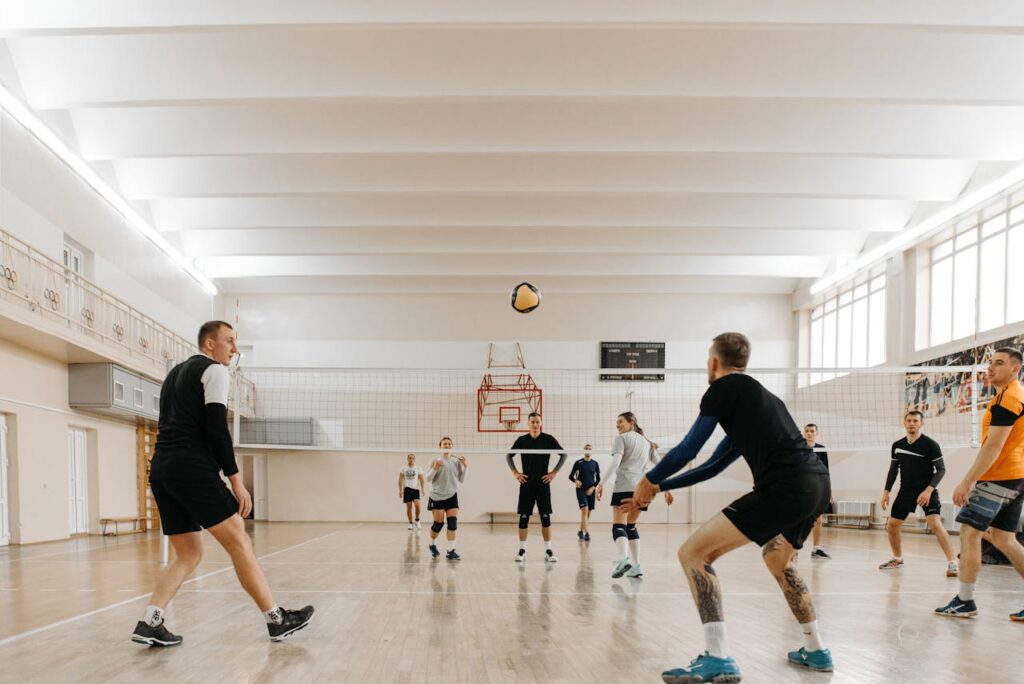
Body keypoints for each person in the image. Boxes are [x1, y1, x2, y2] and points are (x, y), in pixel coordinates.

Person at [631, 332, 833, 680]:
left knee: (694, 554)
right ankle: (816, 650)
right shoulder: (760, 400)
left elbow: (689, 450)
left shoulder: (722, 390)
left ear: (714, 362)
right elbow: (712, 466)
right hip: (816, 485)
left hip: (784, 487)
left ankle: (718, 656)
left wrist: (649, 479)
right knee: (778, 560)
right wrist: (662, 485)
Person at [131, 321, 314, 647]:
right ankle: (276, 619)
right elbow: (217, 430)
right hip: (191, 469)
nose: (234, 348)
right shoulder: (215, 371)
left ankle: (151, 621)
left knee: (188, 553)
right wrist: (237, 481)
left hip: (162, 469)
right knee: (238, 541)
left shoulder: (174, 375)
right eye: (229, 341)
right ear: (209, 342)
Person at [936, 347, 1024, 620]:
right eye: (990, 363)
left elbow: (994, 446)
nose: (990, 368)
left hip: (1000, 475)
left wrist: (967, 481)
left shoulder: (1008, 398)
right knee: (1003, 539)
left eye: (999, 363)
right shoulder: (1012, 394)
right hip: (1016, 474)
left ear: (1015, 368)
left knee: (970, 533)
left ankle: (965, 600)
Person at [878, 411, 958, 576]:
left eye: (915, 421)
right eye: (909, 420)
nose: (912, 423)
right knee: (892, 525)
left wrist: (928, 491)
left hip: (926, 490)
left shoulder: (931, 444)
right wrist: (886, 491)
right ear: (904, 423)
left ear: (922, 423)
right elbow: (893, 470)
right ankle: (897, 558)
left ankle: (952, 563)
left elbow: (941, 470)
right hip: (906, 490)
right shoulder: (897, 445)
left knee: (935, 523)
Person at [598, 412, 673, 579]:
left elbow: (616, 462)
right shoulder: (647, 442)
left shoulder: (621, 439)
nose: (617, 425)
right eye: (616, 422)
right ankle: (637, 566)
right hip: (641, 489)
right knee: (630, 526)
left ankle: (623, 559)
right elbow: (661, 466)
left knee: (619, 526)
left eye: (620, 422)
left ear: (631, 422)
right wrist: (667, 488)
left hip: (624, 486)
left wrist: (601, 483)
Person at [507, 412, 567, 563]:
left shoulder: (548, 439)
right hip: (526, 484)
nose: (535, 424)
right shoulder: (522, 440)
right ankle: (522, 550)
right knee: (524, 518)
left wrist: (554, 472)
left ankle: (548, 550)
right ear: (528, 423)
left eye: (537, 422)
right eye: (532, 422)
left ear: (541, 423)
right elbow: (509, 455)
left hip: (543, 483)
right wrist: (515, 472)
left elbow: (563, 455)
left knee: (545, 517)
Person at [427, 437, 467, 561]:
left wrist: (465, 467)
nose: (447, 445)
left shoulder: (456, 462)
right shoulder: (435, 460)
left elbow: (461, 480)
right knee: (438, 524)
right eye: (445, 443)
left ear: (452, 446)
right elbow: (428, 478)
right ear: (440, 446)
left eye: (449, 444)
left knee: (452, 524)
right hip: (437, 496)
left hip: (452, 495)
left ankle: (451, 551)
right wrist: (435, 468)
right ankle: (432, 544)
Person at [804, 424, 833, 560]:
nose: (809, 433)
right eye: (807, 431)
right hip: (802, 487)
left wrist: (829, 490)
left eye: (812, 431)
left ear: (816, 433)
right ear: (804, 433)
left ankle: (816, 549)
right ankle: (793, 547)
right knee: (798, 519)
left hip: (818, 487)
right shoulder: (799, 447)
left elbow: (825, 469)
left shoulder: (821, 449)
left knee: (818, 519)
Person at [568, 443, 600, 542]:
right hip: (580, 489)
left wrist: (593, 488)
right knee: (584, 510)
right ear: (584, 450)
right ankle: (586, 533)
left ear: (591, 451)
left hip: (591, 490)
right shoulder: (578, 463)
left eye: (589, 449)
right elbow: (570, 476)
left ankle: (581, 531)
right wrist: (575, 481)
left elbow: (598, 479)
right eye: (586, 448)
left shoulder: (595, 463)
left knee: (588, 512)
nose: (588, 450)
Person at [398, 453, 425, 530]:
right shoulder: (403, 468)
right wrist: (400, 490)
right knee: (409, 507)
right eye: (410, 458)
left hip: (416, 489)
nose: (411, 459)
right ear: (407, 459)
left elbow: (422, 479)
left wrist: (422, 489)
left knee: (417, 506)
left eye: (412, 458)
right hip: (407, 489)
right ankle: (410, 523)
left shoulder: (418, 468)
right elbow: (400, 479)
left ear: (414, 459)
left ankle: (417, 520)